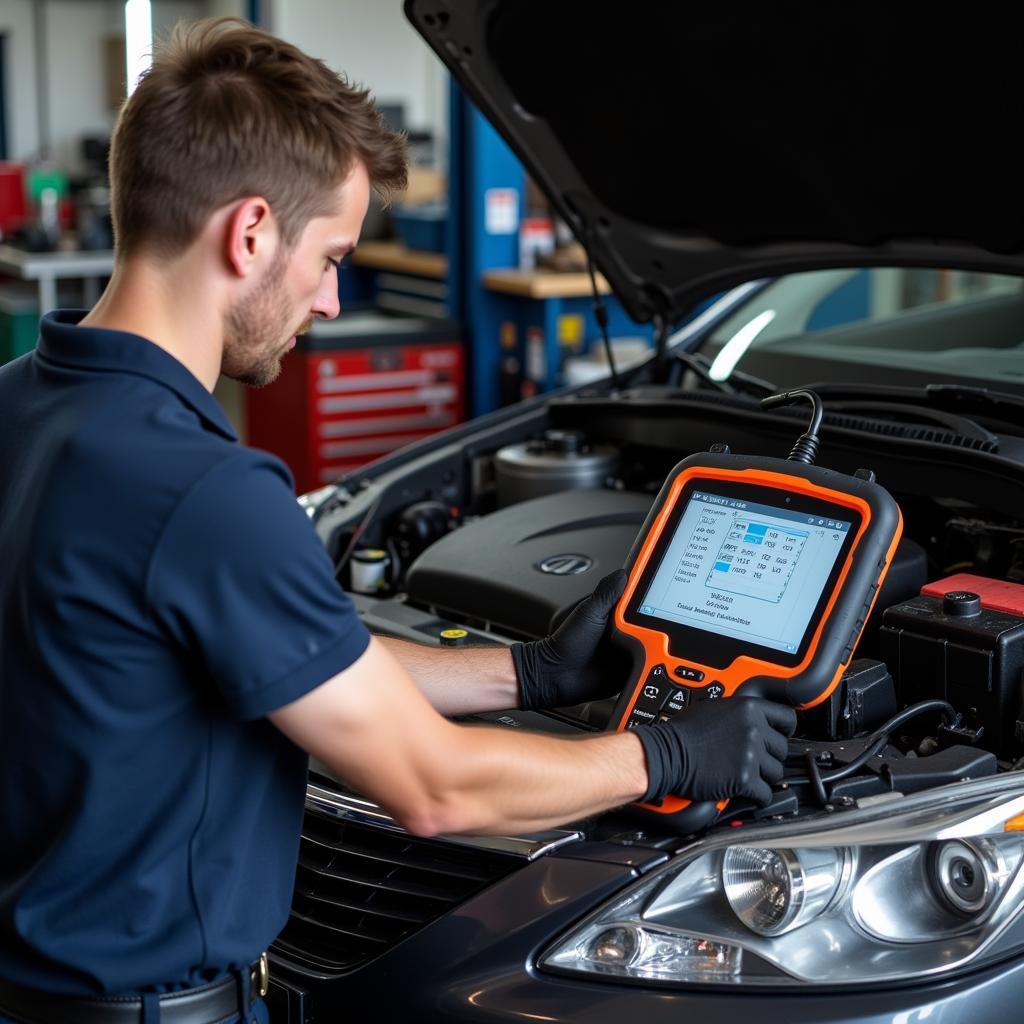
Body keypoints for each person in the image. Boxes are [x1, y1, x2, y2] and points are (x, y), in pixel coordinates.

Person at [0, 18, 797, 1024]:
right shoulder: (204, 490)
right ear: (249, 234)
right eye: (329, 255)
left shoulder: (25, 403)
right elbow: (434, 787)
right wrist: (667, 755)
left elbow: (274, 654)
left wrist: (530, 672)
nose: (331, 299)